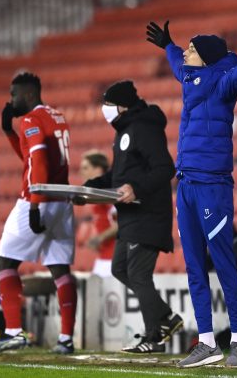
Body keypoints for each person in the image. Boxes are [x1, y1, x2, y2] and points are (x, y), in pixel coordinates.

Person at [146, 21, 237, 367]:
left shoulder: (223, 84)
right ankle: (207, 341)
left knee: (224, 264)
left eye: (191, 49)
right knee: (194, 266)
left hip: (213, 186)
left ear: (208, 58)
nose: (186, 53)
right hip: (184, 185)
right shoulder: (189, 78)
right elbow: (175, 61)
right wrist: (167, 44)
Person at [0, 73, 77, 355]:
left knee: (4, 264)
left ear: (29, 95)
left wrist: (34, 204)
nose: (11, 100)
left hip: (38, 199)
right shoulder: (57, 116)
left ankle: (13, 332)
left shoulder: (32, 120)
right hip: (62, 201)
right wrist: (10, 132)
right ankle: (66, 339)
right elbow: (31, 157)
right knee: (60, 269)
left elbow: (39, 161)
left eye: (14, 94)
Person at [83, 80, 183, 354]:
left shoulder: (144, 128)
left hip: (148, 214)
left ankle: (154, 337)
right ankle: (166, 318)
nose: (105, 111)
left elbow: (165, 168)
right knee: (120, 269)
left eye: (108, 105)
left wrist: (136, 188)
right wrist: (91, 185)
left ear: (123, 106)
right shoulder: (124, 132)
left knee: (138, 274)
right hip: (130, 217)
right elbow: (119, 175)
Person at [79, 151, 118, 278]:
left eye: (86, 168)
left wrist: (99, 238)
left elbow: (122, 222)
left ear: (98, 169)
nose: (82, 172)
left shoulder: (107, 192)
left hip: (113, 257)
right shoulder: (99, 192)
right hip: (104, 255)